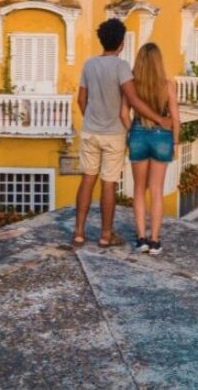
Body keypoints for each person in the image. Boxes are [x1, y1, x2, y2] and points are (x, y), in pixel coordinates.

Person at [73, 19, 171, 248]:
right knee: (108, 183)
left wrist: (91, 118)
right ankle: (105, 235)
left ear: (102, 40)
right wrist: (159, 119)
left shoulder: (89, 64)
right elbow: (133, 100)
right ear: (121, 42)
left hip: (90, 131)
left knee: (87, 179)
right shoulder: (122, 67)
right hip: (114, 134)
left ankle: (78, 233)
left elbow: (81, 99)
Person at [124, 43, 179, 255]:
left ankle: (141, 239)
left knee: (138, 190)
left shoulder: (131, 85)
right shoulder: (167, 86)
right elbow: (175, 118)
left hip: (138, 134)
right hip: (161, 137)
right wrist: (175, 142)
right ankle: (155, 241)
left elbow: (123, 114)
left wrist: (134, 131)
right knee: (157, 191)